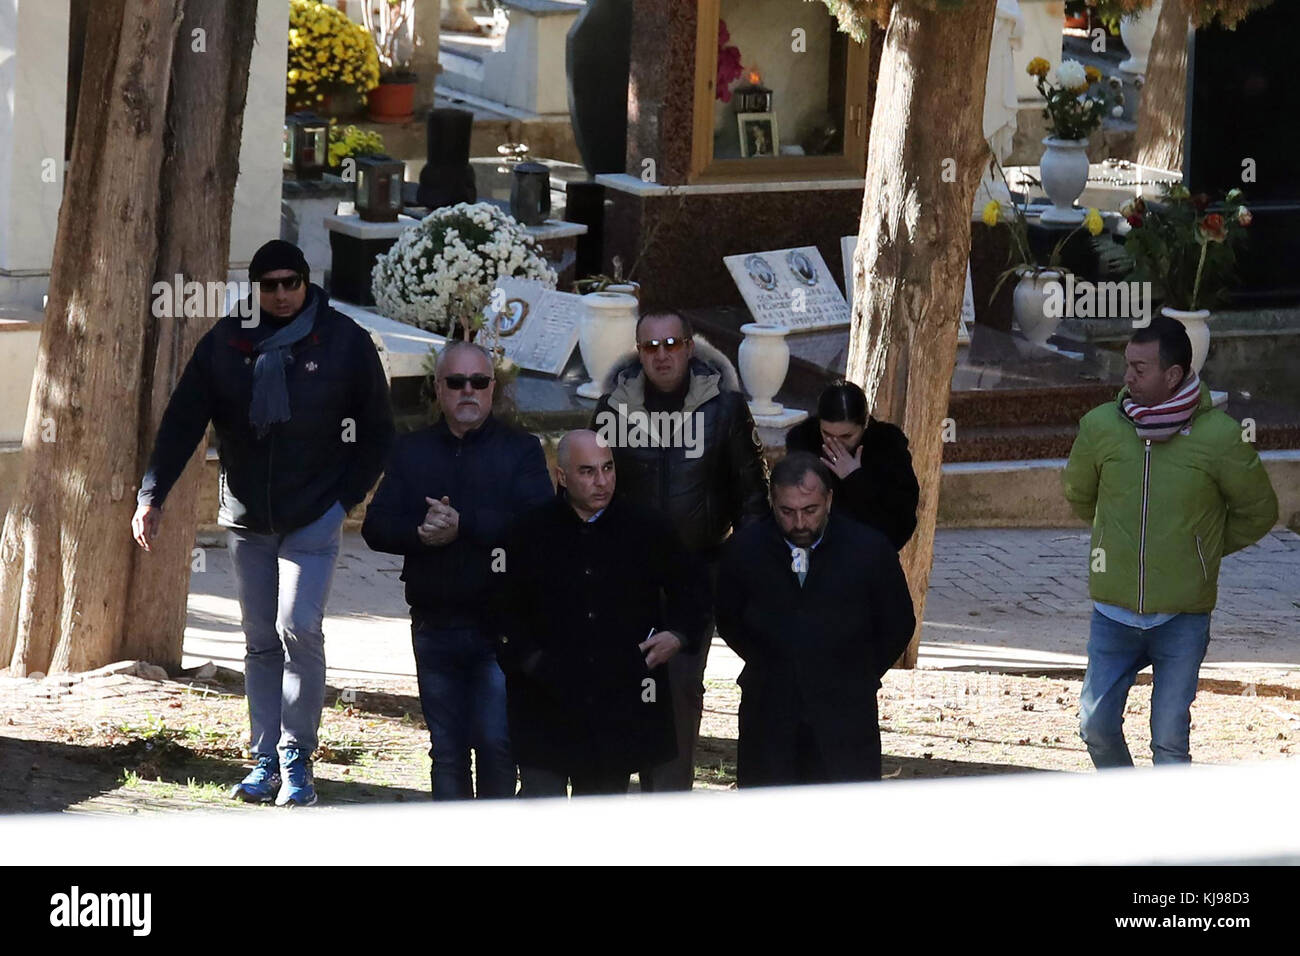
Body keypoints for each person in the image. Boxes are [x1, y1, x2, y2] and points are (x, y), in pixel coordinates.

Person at [133, 239, 395, 807]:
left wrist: (342, 502)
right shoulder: (226, 343)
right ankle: (265, 759)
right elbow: (183, 422)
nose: (281, 294)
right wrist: (151, 495)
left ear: (306, 283)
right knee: (259, 641)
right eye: (269, 284)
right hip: (248, 516)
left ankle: (299, 760)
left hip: (314, 515)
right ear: (256, 289)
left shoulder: (345, 341)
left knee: (299, 627)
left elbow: (378, 432)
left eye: (291, 283)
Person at [1063, 316, 1277, 768]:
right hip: (1112, 613)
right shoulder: (1100, 426)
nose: (1128, 378)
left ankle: (1170, 833)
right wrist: (1116, 537)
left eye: (1140, 369)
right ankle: (1132, 812)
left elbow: (1259, 511)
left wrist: (1199, 548)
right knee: (1094, 726)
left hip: (1182, 618)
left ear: (1173, 375)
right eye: (1127, 365)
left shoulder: (1218, 436)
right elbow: (1079, 495)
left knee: (1169, 744)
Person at [361, 341, 553, 799]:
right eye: (456, 382)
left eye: (479, 382)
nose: (468, 391)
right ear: (439, 389)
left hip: (499, 628)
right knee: (446, 749)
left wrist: (464, 526)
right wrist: (421, 532)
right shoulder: (412, 450)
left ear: (492, 388)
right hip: (435, 623)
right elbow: (375, 527)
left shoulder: (521, 450)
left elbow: (542, 528)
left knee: (495, 743)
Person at [590, 311, 769, 791]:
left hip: (696, 573)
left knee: (679, 690)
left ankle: (666, 808)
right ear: (639, 351)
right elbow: (588, 490)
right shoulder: (614, 409)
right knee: (618, 686)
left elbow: (753, 497)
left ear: (690, 347)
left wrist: (742, 568)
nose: (662, 354)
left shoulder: (726, 409)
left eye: (672, 343)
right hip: (625, 579)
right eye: (651, 346)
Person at [496, 430, 710, 797]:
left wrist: (677, 634)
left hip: (617, 703)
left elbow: (693, 588)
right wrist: (530, 661)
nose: (602, 481)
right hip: (544, 701)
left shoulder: (645, 527)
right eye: (587, 471)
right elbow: (501, 610)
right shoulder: (528, 534)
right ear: (561, 477)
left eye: (608, 468)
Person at [715, 452, 915, 786]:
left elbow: (897, 622)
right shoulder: (744, 550)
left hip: (845, 716)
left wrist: (855, 673)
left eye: (810, 510)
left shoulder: (869, 550)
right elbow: (730, 617)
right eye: (787, 512)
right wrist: (775, 659)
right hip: (770, 713)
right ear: (772, 502)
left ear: (829, 500)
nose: (799, 523)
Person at [784, 381, 919, 549]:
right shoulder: (804, 443)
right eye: (827, 434)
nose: (835, 443)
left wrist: (855, 479)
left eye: (846, 436)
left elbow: (901, 519)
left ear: (864, 426)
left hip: (868, 552)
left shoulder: (888, 448)